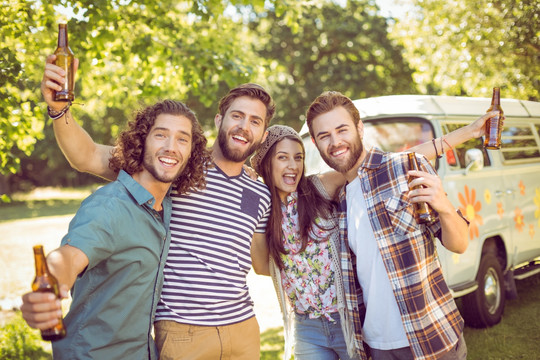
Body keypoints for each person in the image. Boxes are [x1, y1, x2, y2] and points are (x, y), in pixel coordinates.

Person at [33, 54, 275, 360]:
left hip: (241, 329)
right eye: (237, 116)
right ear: (219, 120)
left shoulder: (257, 190)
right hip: (183, 332)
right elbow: (88, 156)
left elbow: (261, 261)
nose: (244, 126)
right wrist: (59, 110)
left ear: (263, 134)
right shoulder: (176, 165)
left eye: (255, 121)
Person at [248, 101, 496, 360]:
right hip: (337, 333)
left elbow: (400, 162)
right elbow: (264, 266)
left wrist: (467, 133)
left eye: (297, 157)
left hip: (390, 327)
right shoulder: (288, 207)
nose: (292, 165)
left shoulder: (320, 189)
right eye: (282, 157)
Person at [20, 98, 212, 359]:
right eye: (161, 135)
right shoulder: (110, 207)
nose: (171, 148)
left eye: (182, 139)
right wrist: (51, 283)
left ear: (191, 152)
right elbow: (70, 256)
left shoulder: (165, 204)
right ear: (141, 141)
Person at [305, 91, 472, 360]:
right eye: (324, 136)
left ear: (359, 128)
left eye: (342, 130)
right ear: (315, 142)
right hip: (376, 346)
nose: (335, 142)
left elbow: (460, 243)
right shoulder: (341, 199)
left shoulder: (406, 167)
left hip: (432, 338)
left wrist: (444, 206)